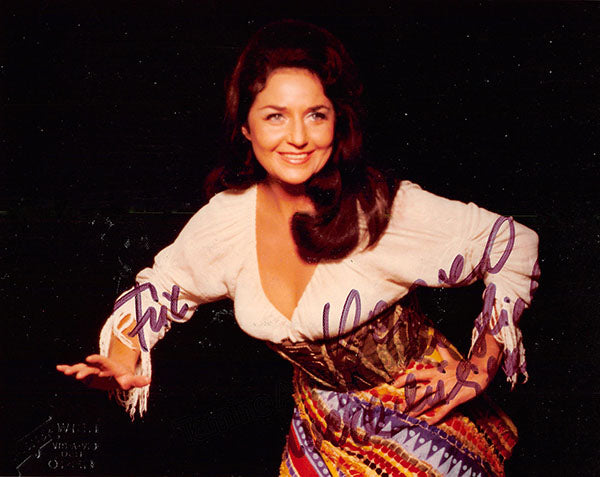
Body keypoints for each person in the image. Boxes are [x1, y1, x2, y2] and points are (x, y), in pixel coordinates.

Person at [57, 20, 540, 476]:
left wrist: (480, 366)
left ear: (337, 122)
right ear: (245, 127)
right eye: (275, 116)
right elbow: (164, 287)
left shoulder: (379, 209)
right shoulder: (228, 220)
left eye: (315, 115)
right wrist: (121, 358)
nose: (298, 138)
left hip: (420, 422)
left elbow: (510, 241)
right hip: (320, 429)